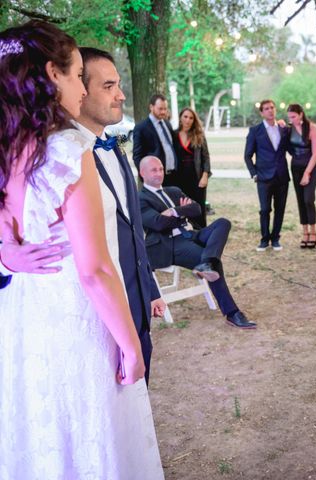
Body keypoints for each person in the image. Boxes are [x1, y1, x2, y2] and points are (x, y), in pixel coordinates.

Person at [0, 21, 163, 478]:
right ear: (53, 75)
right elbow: (93, 269)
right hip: (77, 316)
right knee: (93, 433)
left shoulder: (8, 147)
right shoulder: (69, 148)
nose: (78, 86)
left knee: (41, 432)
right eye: (75, 75)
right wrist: (131, 346)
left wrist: (6, 253)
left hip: (23, 320)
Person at [74, 46, 165, 385]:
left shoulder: (117, 151)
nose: (121, 94)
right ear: (79, 91)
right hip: (96, 320)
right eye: (109, 86)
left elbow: (133, 228)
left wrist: (150, 287)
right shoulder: (62, 156)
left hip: (137, 304)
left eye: (119, 85)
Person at [138, 156, 256, 329]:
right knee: (211, 263)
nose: (159, 173)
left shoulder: (173, 190)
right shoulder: (140, 198)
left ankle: (207, 263)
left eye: (161, 169)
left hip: (191, 235)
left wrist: (172, 211)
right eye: (154, 170)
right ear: (142, 173)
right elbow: (158, 223)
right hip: (170, 244)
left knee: (223, 223)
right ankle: (232, 313)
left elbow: (197, 209)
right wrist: (182, 213)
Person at [244, 99, 290, 252]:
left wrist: (289, 128)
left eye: (272, 108)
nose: (270, 110)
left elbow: (291, 147)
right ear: (262, 113)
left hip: (282, 176)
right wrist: (254, 174)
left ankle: (275, 238)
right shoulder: (255, 131)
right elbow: (247, 155)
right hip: (263, 177)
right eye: (266, 109)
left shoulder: (283, 129)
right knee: (265, 209)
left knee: (280, 208)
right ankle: (264, 239)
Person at [286, 104, 316, 248]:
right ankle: (304, 231)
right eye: (289, 117)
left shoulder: (312, 128)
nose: (291, 119)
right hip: (295, 167)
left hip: (310, 167)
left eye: (293, 116)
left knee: (308, 199)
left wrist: (307, 173)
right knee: (300, 200)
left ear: (300, 114)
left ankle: (313, 231)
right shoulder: (289, 129)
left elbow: (315, 154)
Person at [174, 107, 211, 228]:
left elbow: (206, 157)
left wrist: (205, 176)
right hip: (179, 179)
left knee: (198, 208)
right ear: (180, 117)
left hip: (197, 178)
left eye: (191, 118)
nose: (188, 120)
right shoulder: (173, 135)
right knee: (182, 208)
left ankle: (202, 235)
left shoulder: (199, 135)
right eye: (185, 117)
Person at [133, 93, 178, 186]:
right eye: (160, 109)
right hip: (155, 178)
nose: (163, 112)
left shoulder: (167, 124)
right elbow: (137, 156)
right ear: (151, 107)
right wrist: (145, 176)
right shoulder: (141, 128)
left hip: (173, 176)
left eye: (165, 109)